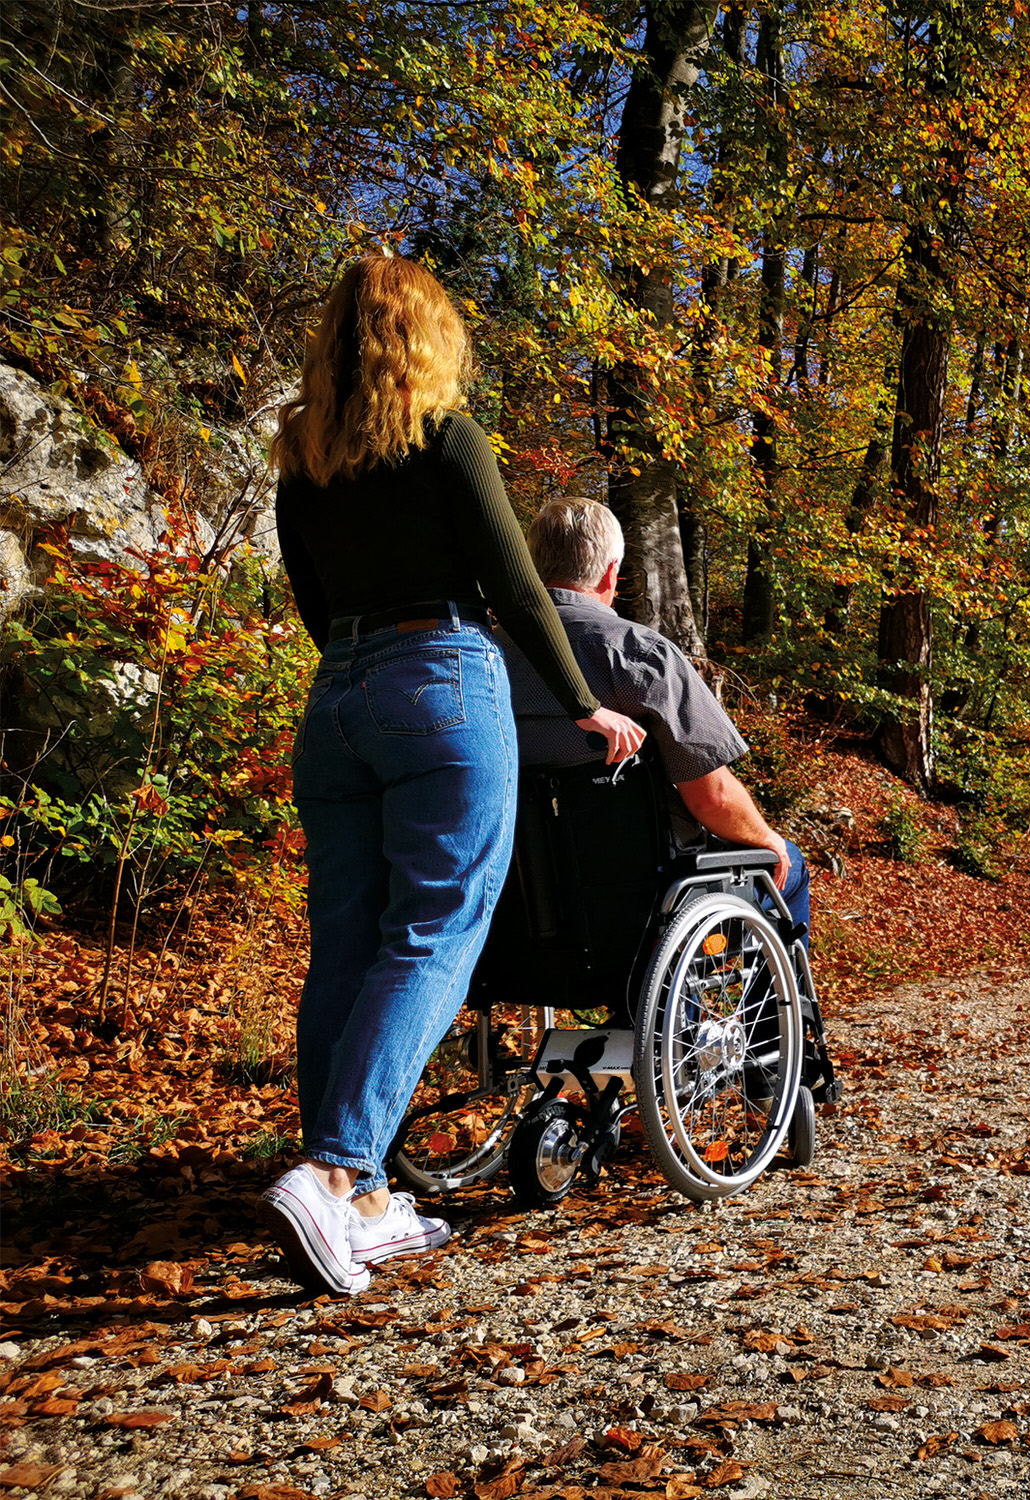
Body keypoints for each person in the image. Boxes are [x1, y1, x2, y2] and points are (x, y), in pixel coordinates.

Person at [264, 256, 643, 1297]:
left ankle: (366, 1196)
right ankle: (336, 1170)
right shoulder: (444, 436)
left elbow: (308, 595)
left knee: (343, 944)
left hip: (336, 696)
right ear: (429, 337)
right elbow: (518, 587)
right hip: (439, 676)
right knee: (434, 930)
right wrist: (582, 703)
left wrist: (356, 667)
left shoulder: (300, 455)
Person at [500, 498, 809, 938]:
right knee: (787, 864)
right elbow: (711, 798)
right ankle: (774, 1005)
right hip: (646, 899)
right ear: (610, 573)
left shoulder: (484, 656)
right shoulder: (639, 654)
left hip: (524, 905)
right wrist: (769, 841)